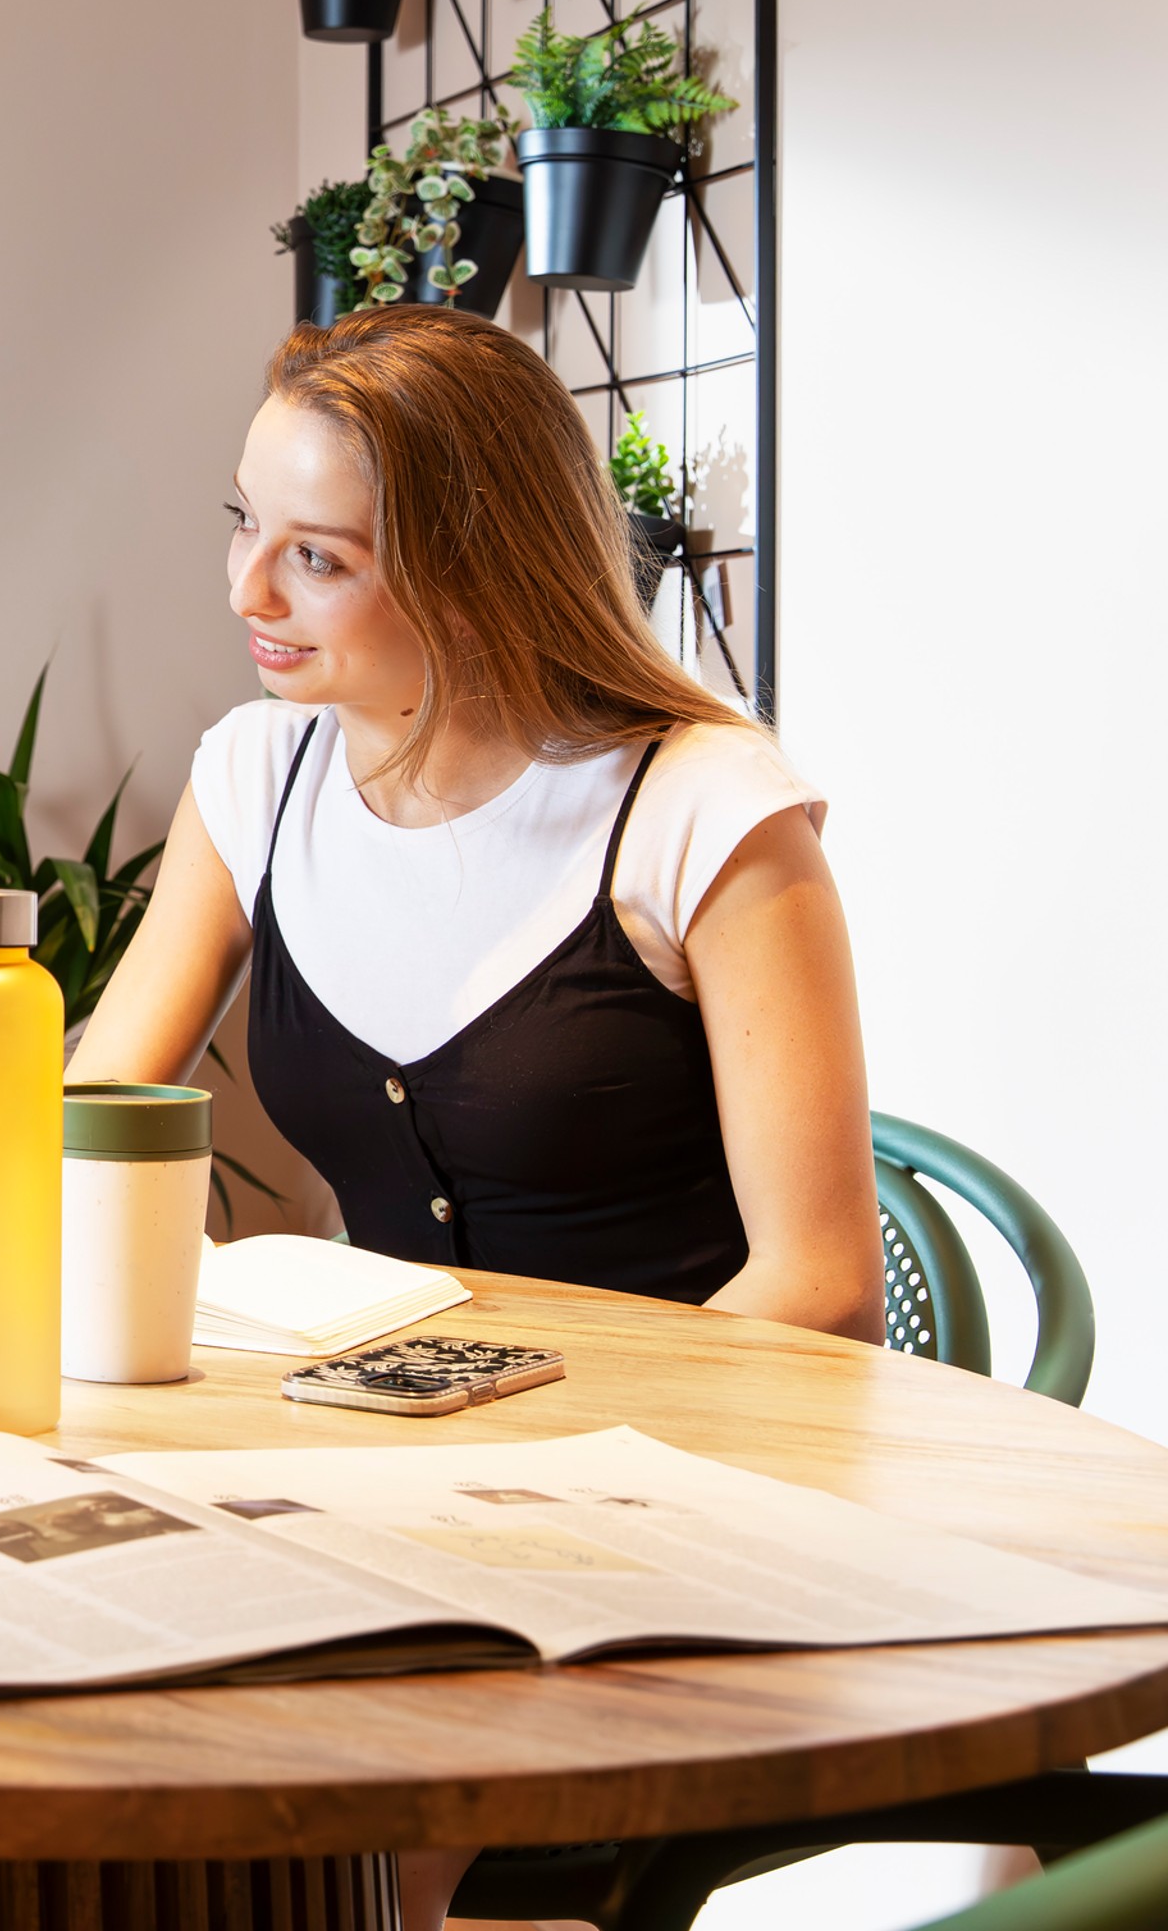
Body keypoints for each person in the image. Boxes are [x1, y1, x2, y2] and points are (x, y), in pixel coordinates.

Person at [58, 307, 876, 1931]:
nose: (246, 594)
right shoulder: (262, 778)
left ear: (473, 558)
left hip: (684, 1505)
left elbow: (824, 1280)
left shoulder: (706, 808)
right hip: (394, 1481)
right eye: (243, 525)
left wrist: (549, 1487)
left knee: (303, 1794)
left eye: (320, 558)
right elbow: (102, 1095)